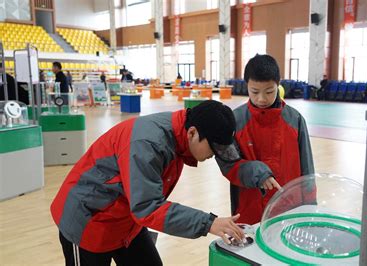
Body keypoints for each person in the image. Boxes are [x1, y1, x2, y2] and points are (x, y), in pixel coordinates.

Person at [50, 100, 245, 266]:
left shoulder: (179, 138)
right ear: (192, 133)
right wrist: (208, 223)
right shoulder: (148, 144)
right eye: (213, 148)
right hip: (87, 221)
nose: (213, 155)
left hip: (127, 221)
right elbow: (147, 208)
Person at [216, 54, 315, 224]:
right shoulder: (236, 120)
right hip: (249, 208)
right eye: (254, 92)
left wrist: (311, 205)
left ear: (278, 85)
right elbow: (229, 164)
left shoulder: (295, 120)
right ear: (246, 85)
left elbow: (307, 167)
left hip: (290, 207)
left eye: (269, 91)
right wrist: (258, 175)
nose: (262, 98)